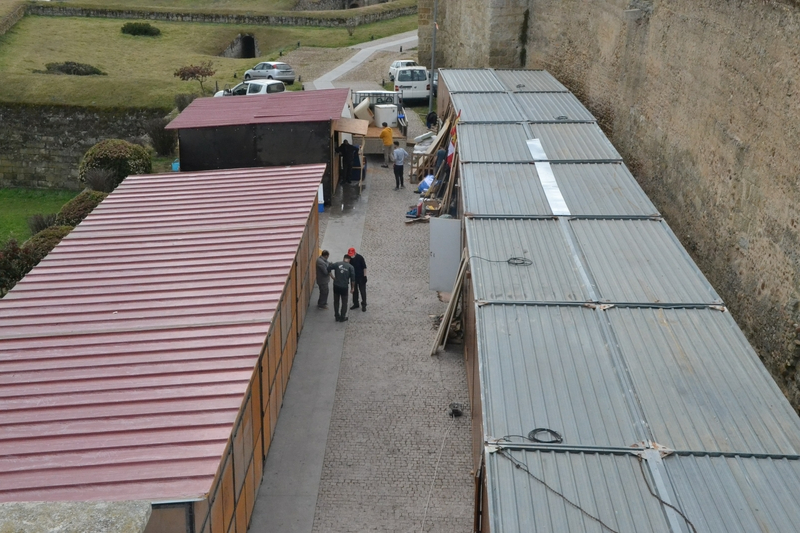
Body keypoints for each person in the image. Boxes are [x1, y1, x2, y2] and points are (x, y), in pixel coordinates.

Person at [327, 253, 355, 322]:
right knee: (344, 302)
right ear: (349, 260)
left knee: (336, 301)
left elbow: (328, 268)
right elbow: (353, 279)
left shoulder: (337, 264)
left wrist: (332, 276)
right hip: (344, 287)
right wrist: (352, 288)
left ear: (343, 258)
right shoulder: (350, 267)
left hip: (336, 285)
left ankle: (337, 316)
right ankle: (342, 317)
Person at [347, 247, 367, 312]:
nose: (351, 256)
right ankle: (356, 303)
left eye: (352, 254)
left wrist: (365, 276)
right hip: (353, 278)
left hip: (361, 277)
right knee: (354, 291)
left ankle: (364, 304)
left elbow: (364, 267)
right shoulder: (349, 258)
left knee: (362, 291)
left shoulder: (360, 258)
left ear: (354, 252)